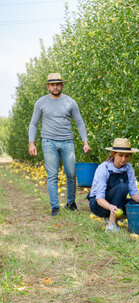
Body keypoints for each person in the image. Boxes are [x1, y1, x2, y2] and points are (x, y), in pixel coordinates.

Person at [28, 73, 91, 216]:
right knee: (52, 175)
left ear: (62, 85)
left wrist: (85, 142)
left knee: (71, 174)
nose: (55, 87)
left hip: (67, 142)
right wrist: (31, 143)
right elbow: (33, 123)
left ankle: (70, 202)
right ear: (48, 86)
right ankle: (55, 206)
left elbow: (80, 122)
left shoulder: (70, 102)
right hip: (48, 142)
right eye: (52, 84)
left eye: (58, 84)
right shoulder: (41, 102)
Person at [88, 138, 139, 232]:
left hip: (116, 204)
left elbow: (133, 192)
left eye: (127, 156)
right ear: (114, 154)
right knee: (122, 186)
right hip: (99, 205)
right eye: (120, 155)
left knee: (137, 206)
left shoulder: (128, 168)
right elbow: (99, 198)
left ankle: (112, 217)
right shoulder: (103, 168)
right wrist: (110, 207)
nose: (124, 159)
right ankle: (111, 225)